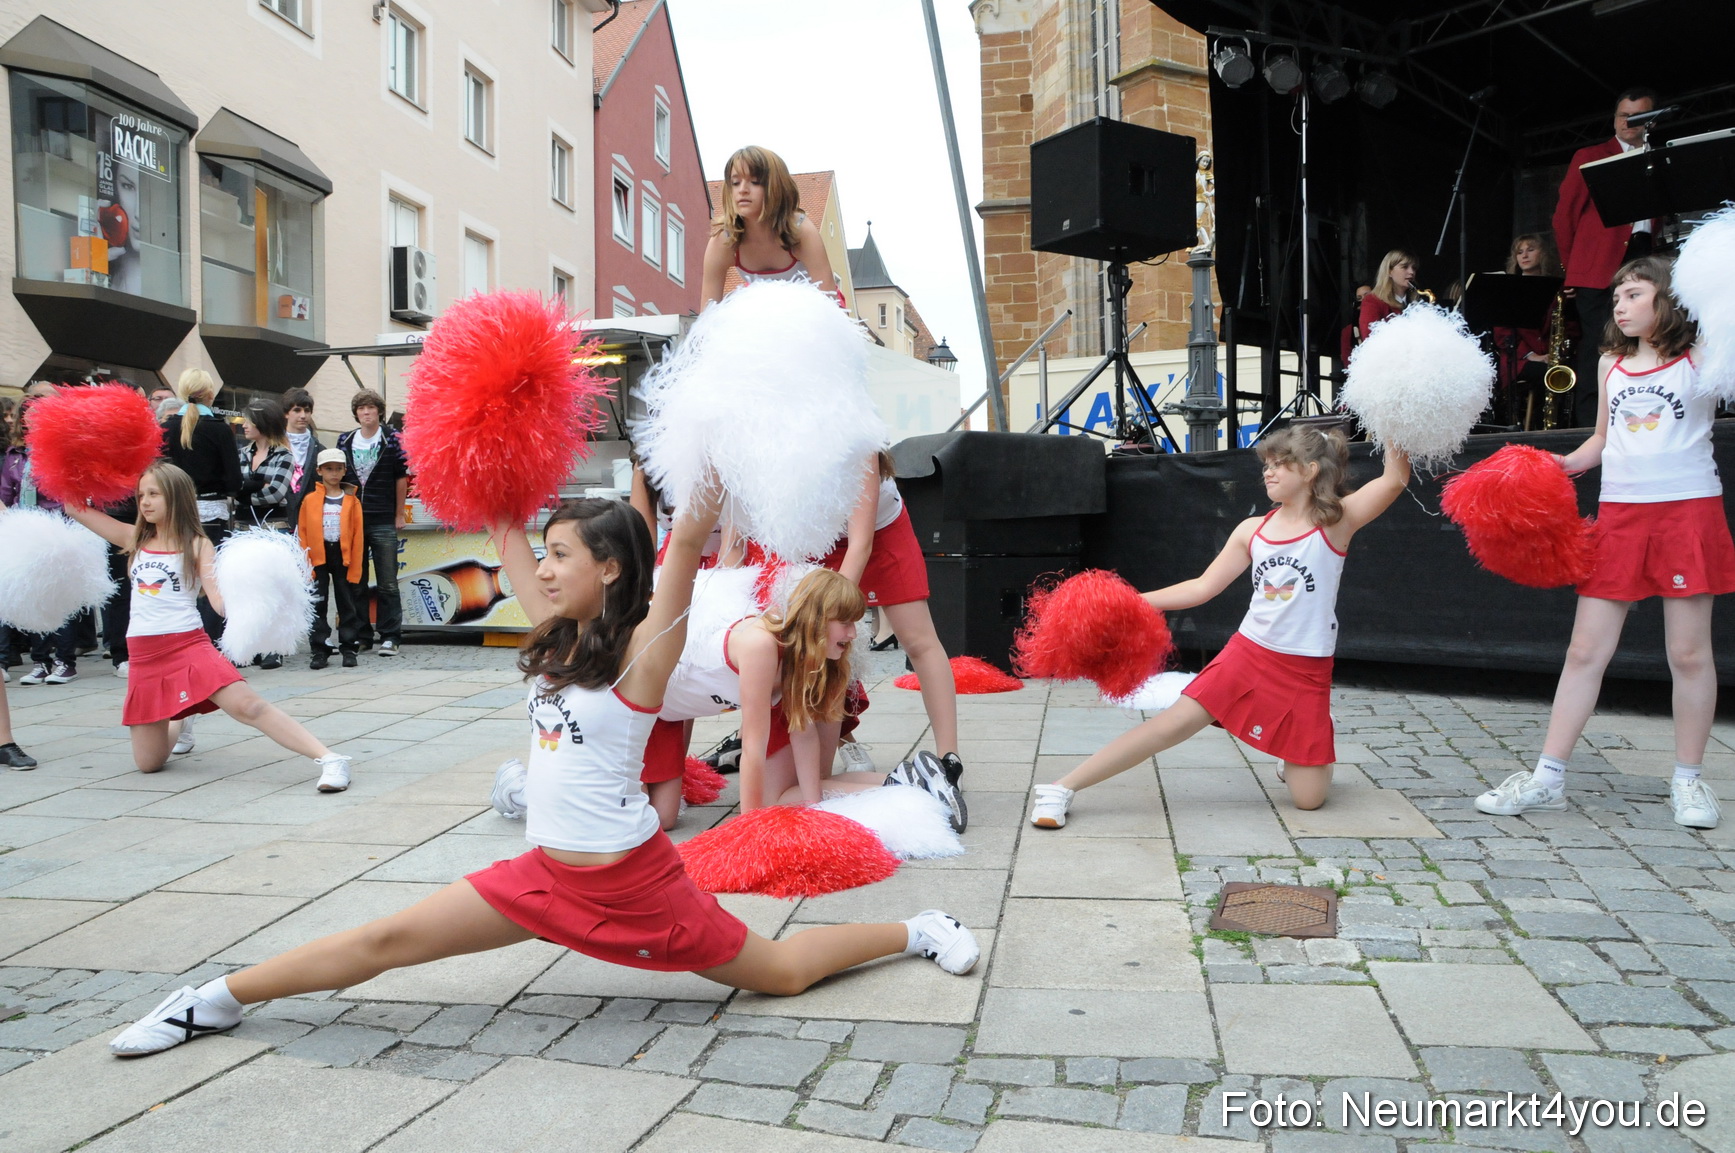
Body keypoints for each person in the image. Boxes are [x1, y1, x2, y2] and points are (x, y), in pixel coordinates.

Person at [108, 491, 979, 1058]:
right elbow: (504, 537)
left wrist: (705, 469)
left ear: (609, 566)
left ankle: (915, 928)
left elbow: (676, 552)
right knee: (380, 944)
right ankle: (212, 998)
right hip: (543, 876)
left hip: (637, 888)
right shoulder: (562, 638)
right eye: (545, 554)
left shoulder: (645, 651)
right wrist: (496, 487)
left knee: (781, 973)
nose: (544, 567)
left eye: (563, 554)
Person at [1031, 427, 1411, 825]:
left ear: (1311, 470)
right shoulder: (1252, 530)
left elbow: (1393, 479)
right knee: (1172, 724)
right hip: (1249, 653)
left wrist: (1392, 414)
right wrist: (1130, 602)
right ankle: (1060, 788)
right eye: (1267, 464)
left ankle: (1309, 743)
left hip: (1307, 667)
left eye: (1281, 464)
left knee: (1309, 800)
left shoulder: (1337, 522)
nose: (1269, 472)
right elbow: (1202, 588)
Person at [1474, 255, 1726, 830]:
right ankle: (1547, 778)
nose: (1619, 304)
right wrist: (1557, 465)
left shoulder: (1703, 358)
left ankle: (1688, 781)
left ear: (1667, 298)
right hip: (1619, 517)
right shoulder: (1610, 363)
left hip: (1688, 514)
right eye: (1617, 295)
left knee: (1688, 655)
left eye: (1634, 293)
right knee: (1585, 651)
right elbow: (1603, 441)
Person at [61, 461, 353, 788]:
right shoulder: (132, 538)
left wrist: (256, 601)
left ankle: (331, 759)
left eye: (154, 494)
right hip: (143, 656)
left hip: (187, 645)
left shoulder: (198, 545)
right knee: (148, 763)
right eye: (141, 494)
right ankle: (182, 719)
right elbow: (73, 507)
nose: (144, 502)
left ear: (177, 498)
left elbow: (217, 599)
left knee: (249, 706)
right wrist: (75, 460)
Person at [825, 455, 964, 804]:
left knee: (919, 640)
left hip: (881, 529)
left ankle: (949, 760)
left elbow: (861, 544)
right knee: (819, 642)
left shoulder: (854, 443)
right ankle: (841, 739)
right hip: (819, 537)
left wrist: (831, 608)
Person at [1553, 87, 1657, 428]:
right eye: (1623, 115)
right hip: (1597, 268)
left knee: (1639, 342)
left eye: (1637, 116)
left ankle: (1633, 419)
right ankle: (1588, 429)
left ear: (1650, 120)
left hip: (1643, 257)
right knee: (1599, 347)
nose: (1628, 122)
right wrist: (1571, 271)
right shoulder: (1592, 154)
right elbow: (1564, 216)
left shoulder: (1656, 156)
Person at [701, 145, 842, 310]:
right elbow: (707, 313)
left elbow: (831, 304)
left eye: (755, 182)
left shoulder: (801, 231)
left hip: (812, 312)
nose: (743, 190)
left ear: (775, 187)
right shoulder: (723, 239)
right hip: (762, 312)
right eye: (735, 183)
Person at [1, 383, 78, 686]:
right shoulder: (15, 455)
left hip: (57, 527)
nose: (30, 418)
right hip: (25, 532)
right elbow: (9, 494)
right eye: (26, 413)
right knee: (34, 594)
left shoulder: (63, 450)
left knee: (60, 594)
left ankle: (65, 660)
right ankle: (40, 661)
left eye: (37, 413)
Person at [160, 369, 243, 643]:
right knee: (211, 577)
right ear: (209, 394)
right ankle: (211, 640)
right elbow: (234, 480)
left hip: (174, 511)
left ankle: (179, 637)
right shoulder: (219, 429)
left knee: (177, 575)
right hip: (212, 512)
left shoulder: (166, 427)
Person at [337, 390, 409, 656]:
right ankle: (361, 634)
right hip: (353, 519)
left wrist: (399, 514)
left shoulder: (392, 439)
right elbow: (338, 477)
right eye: (361, 409)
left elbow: (401, 477)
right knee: (355, 580)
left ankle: (391, 635)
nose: (366, 413)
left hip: (382, 518)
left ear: (379, 411)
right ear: (356, 413)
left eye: (370, 408)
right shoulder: (345, 440)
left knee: (387, 580)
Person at [297, 449, 365, 670]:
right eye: (328, 469)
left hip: (343, 556)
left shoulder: (352, 500)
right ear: (319, 471)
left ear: (345, 471)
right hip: (318, 555)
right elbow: (303, 532)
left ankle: (348, 646)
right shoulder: (310, 500)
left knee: (347, 601)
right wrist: (306, 562)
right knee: (318, 601)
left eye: (338, 469)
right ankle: (320, 648)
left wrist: (356, 562)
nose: (334, 473)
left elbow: (358, 535)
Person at [1494, 234, 1567, 428]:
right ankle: (1538, 428)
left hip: (1550, 355)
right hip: (1518, 359)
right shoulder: (1509, 289)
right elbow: (1502, 333)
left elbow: (1568, 325)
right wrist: (1532, 355)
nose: (1524, 255)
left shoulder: (1557, 288)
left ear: (1543, 253)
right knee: (1546, 373)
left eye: (1531, 250)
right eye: (1519, 252)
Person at [238, 398, 294, 528]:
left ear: (263, 423)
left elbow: (275, 493)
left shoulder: (284, 455)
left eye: (249, 421)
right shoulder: (241, 454)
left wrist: (244, 496)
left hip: (273, 526)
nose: (244, 425)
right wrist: (260, 484)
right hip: (242, 526)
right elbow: (232, 487)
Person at [282, 387, 325, 526]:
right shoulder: (273, 446)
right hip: (280, 520)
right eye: (297, 410)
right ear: (286, 413)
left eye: (307, 411)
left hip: (311, 520)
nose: (303, 415)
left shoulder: (321, 451)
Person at [1358, 251, 1421, 341]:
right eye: (1405, 267)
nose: (1411, 272)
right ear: (1389, 271)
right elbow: (1369, 339)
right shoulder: (1372, 301)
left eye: (1414, 268)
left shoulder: (1417, 301)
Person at [1340, 284, 1372, 365]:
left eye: (1367, 296)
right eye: (1359, 298)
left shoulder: (1385, 320)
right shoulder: (1348, 331)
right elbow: (1347, 359)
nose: (1363, 301)